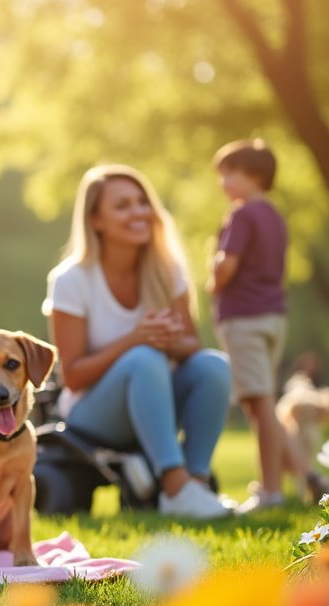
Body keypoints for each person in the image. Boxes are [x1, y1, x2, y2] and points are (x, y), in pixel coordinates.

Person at [43, 164, 233, 519]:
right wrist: (136, 340)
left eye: (142, 202)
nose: (139, 212)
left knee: (213, 366)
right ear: (95, 219)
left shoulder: (166, 268)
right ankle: (175, 488)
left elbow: (191, 345)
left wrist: (170, 341)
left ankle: (195, 485)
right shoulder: (71, 279)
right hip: (93, 414)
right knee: (143, 357)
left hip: (154, 400)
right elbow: (72, 376)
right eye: (123, 205)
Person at [206, 139, 305, 513]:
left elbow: (227, 268)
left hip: (244, 317)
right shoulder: (274, 216)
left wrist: (213, 275)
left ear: (254, 176)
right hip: (273, 315)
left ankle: (271, 490)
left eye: (229, 174)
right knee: (264, 400)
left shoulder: (242, 215)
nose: (224, 183)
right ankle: (306, 476)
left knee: (258, 403)